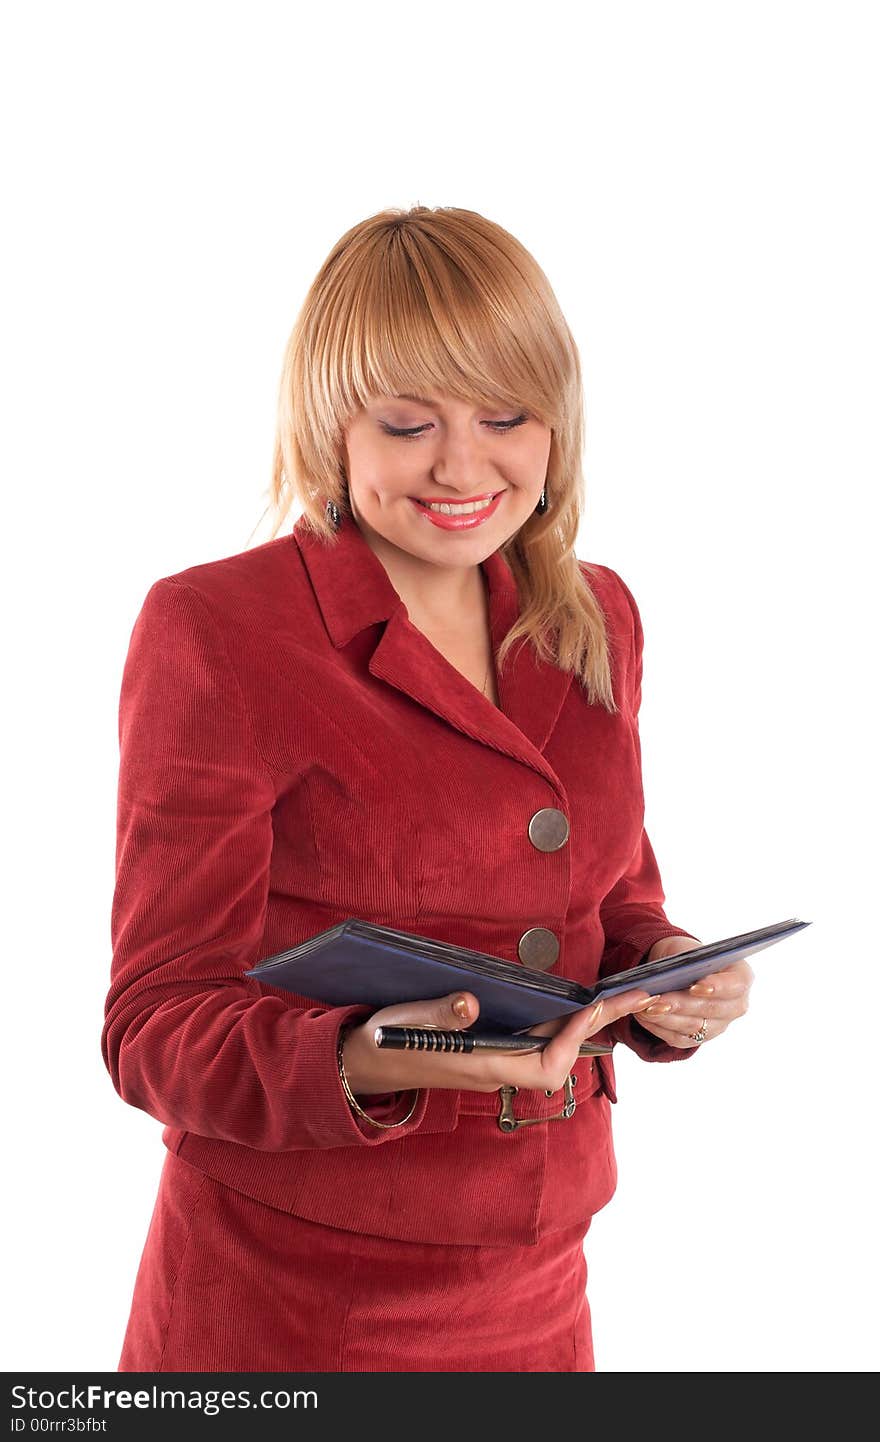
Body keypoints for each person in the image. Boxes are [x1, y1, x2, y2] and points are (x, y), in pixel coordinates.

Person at [102, 204, 754, 1374]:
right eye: (409, 424)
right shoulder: (216, 627)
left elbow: (609, 903)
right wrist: (366, 1053)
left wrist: (668, 975)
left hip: (542, 1281)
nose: (462, 466)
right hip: (290, 1297)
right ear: (331, 428)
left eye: (504, 417)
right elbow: (153, 1024)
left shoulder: (594, 612)